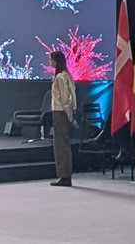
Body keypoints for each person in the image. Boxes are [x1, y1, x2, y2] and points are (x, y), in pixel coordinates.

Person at [50, 50, 77, 187]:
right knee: (62, 144)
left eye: (52, 60)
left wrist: (69, 116)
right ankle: (64, 174)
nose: (50, 63)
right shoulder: (66, 75)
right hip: (62, 113)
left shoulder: (61, 77)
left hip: (60, 112)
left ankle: (64, 175)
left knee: (61, 145)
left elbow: (65, 99)